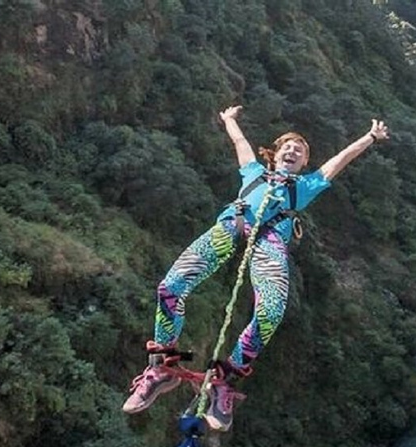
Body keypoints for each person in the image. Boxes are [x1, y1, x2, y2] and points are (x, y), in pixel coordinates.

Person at [122, 105, 389, 430]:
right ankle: (163, 366)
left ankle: (225, 380)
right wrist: (230, 121)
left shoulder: (304, 186)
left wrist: (370, 137)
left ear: (304, 164)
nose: (293, 150)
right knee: (170, 287)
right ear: (275, 155)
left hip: (269, 240)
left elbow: (339, 160)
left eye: (300, 150)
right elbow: (240, 144)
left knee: (271, 311)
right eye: (288, 146)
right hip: (231, 227)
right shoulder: (252, 172)